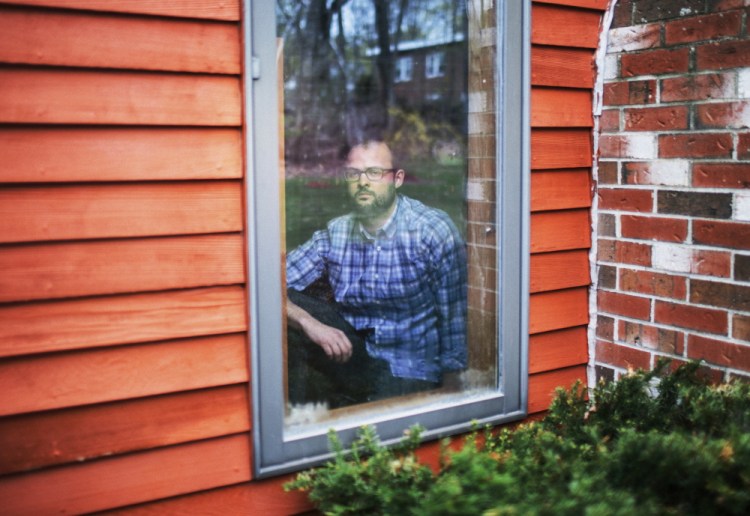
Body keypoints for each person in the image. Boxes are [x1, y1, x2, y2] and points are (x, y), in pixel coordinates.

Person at [285, 140, 467, 407]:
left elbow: (455, 319)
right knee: (287, 314)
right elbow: (270, 283)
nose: (363, 182)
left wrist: (454, 397)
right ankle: (295, 426)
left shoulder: (431, 230)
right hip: (354, 358)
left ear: (398, 179)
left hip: (410, 367)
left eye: (374, 172)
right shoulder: (337, 232)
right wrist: (309, 323)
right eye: (354, 173)